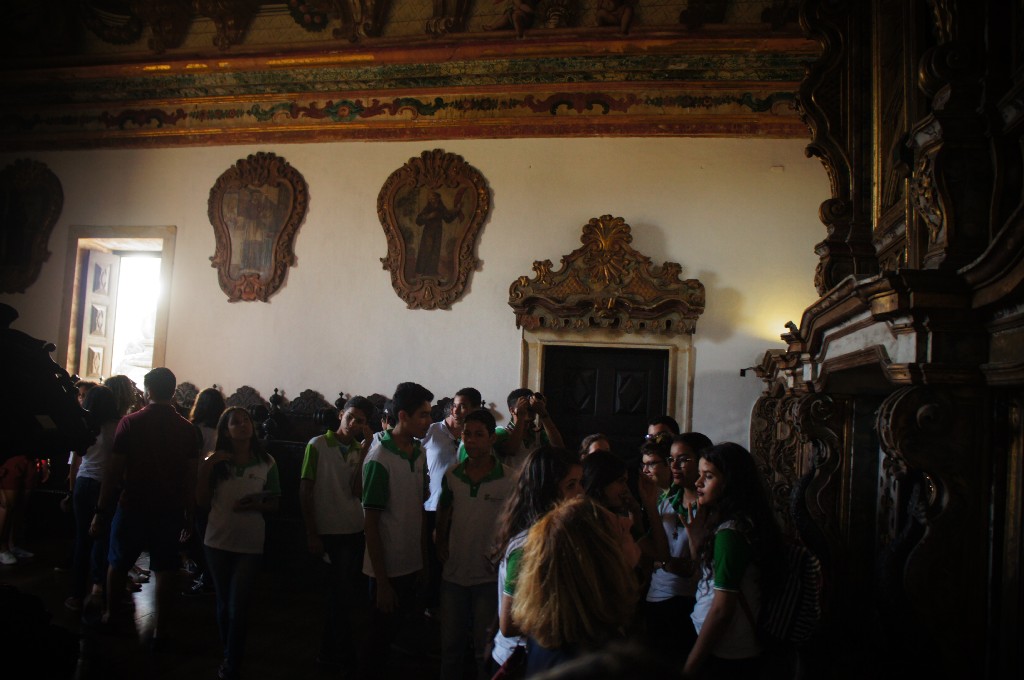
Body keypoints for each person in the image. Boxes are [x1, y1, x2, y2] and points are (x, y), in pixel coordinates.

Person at [90, 367, 201, 645]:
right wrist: (189, 512)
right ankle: (160, 628)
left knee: (118, 562)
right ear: (173, 392)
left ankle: (110, 616)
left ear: (148, 390)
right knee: (165, 568)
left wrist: (101, 510)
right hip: (170, 507)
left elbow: (114, 471)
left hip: (134, 503)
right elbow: (191, 477)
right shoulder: (187, 429)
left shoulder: (130, 423)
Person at [683, 442, 784, 679]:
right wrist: (695, 541)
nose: (698, 483)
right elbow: (706, 580)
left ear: (730, 482)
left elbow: (721, 609)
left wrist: (689, 666)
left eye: (708, 476)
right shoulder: (741, 523)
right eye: (700, 474)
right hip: (729, 644)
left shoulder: (731, 533)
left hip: (727, 648)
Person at [512, 495, 641, 676]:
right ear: (603, 562)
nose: (629, 522)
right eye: (620, 528)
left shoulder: (550, 636)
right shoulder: (598, 665)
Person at [197, 406, 280, 680]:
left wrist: (254, 504)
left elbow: (274, 502)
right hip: (217, 539)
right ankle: (227, 652)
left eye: (246, 421)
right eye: (236, 422)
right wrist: (208, 464)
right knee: (223, 602)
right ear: (226, 430)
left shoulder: (266, 461)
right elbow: (200, 500)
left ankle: (234, 661)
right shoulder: (217, 461)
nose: (243, 425)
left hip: (250, 542)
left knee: (238, 604)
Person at [359, 382, 434, 680]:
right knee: (377, 642)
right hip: (386, 569)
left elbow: (417, 511)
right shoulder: (379, 459)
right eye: (423, 415)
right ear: (403, 416)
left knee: (402, 638)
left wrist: (422, 560)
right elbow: (371, 523)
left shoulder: (418, 452)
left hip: (410, 562)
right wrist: (382, 582)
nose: (429, 421)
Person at [490, 445, 583, 673]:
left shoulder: (559, 534)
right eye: (571, 485)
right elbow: (509, 624)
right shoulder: (527, 546)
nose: (581, 492)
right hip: (518, 660)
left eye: (581, 483)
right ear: (548, 491)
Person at [435, 408, 511, 679]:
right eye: (467, 434)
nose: (472, 441)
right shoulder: (453, 475)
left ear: (492, 438)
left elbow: (515, 524)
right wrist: (440, 542)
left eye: (479, 435)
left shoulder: (510, 479)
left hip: (488, 577)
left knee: (484, 649)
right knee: (450, 648)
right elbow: (443, 512)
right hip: (454, 574)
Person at [300, 395, 375, 669]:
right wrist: (311, 532)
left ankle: (330, 650)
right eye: (350, 417)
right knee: (338, 593)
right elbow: (305, 490)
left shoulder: (359, 450)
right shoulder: (318, 445)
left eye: (360, 421)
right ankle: (342, 651)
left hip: (353, 527)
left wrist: (366, 451)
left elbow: (357, 490)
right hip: (328, 528)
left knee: (343, 593)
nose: (353, 423)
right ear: (341, 414)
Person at [644, 432, 713, 667]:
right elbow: (655, 549)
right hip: (657, 597)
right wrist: (664, 562)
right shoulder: (668, 500)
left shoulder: (710, 507)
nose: (674, 466)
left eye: (683, 460)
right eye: (671, 459)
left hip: (691, 601)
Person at [422, 387, 481, 616]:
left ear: (475, 409)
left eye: (463, 406)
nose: (456, 410)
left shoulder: (475, 437)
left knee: (458, 557)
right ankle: (432, 606)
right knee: (434, 560)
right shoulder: (432, 431)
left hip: (463, 508)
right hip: (433, 506)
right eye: (454, 405)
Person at [66, 386, 119, 612]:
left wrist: (71, 491)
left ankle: (77, 594)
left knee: (82, 539)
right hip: (106, 486)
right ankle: (99, 588)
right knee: (104, 539)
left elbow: (75, 463)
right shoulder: (117, 428)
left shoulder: (84, 426)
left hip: (83, 483)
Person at [183, 387, 226, 597]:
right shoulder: (223, 431)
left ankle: (206, 575)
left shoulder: (194, 430)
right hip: (218, 486)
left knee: (198, 531)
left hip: (198, 483)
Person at [495, 389, 564, 471]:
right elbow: (511, 450)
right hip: (510, 479)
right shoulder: (501, 432)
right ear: (512, 410)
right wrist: (521, 416)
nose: (531, 411)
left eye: (532, 407)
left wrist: (543, 413)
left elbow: (559, 448)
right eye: (527, 408)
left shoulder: (538, 434)